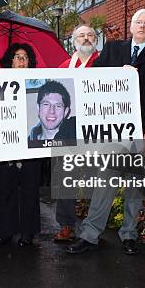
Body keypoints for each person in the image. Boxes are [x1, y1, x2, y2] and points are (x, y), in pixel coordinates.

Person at [66, 8, 145, 256]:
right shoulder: (113, 50)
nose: (143, 26)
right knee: (105, 182)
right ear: (131, 26)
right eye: (139, 22)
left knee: (134, 186)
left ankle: (129, 235)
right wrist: (118, 73)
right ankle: (90, 235)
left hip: (140, 132)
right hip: (113, 132)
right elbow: (92, 78)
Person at [54, 25, 101, 243]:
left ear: (96, 39)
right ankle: (66, 225)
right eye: (81, 35)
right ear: (74, 41)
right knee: (65, 177)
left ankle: (94, 226)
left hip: (95, 129)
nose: (86, 38)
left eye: (90, 35)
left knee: (94, 178)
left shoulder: (106, 64)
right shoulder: (64, 67)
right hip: (69, 129)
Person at [0, 43, 44, 246]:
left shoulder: (41, 82)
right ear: (10, 61)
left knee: (30, 189)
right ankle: (6, 231)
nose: (21, 60)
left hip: (32, 142)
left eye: (25, 57)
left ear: (30, 61)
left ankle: (28, 233)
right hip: (5, 142)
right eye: (17, 56)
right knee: (6, 189)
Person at [27, 80, 76, 148]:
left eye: (58, 106)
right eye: (46, 104)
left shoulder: (75, 130)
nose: (52, 111)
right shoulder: (28, 144)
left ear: (66, 112)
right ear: (38, 108)